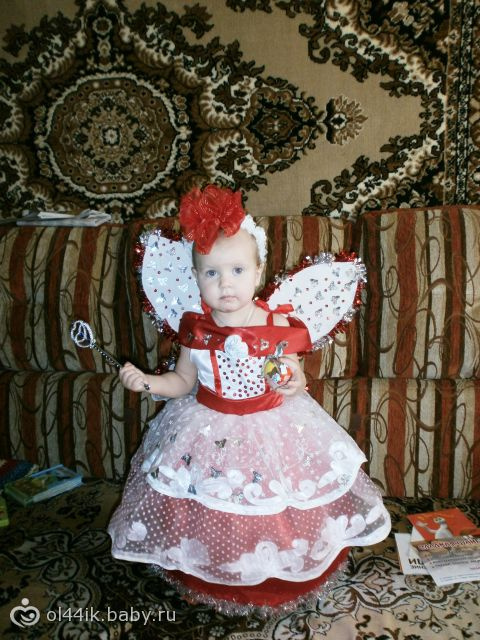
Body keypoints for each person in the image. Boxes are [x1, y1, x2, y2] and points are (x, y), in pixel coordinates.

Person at [108, 184, 391, 614]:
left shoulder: (276, 324)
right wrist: (146, 382)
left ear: (258, 272)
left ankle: (277, 570)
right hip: (209, 424)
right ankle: (214, 569)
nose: (225, 283)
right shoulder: (196, 331)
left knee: (276, 500)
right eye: (211, 273)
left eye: (237, 270)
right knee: (214, 500)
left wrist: (293, 380)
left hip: (272, 424)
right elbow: (181, 382)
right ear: (196, 278)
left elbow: (293, 374)